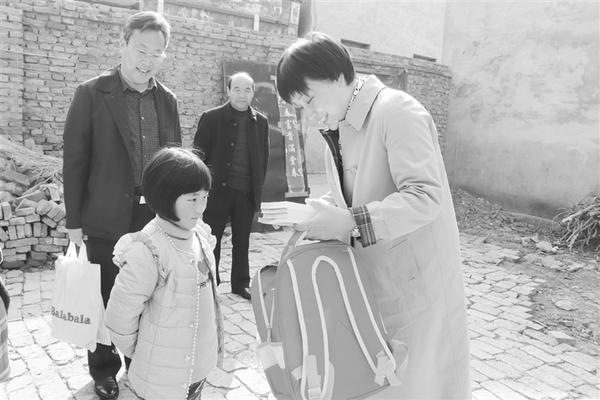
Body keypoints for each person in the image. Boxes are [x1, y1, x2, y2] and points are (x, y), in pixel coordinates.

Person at [276, 32, 471, 399]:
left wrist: (351, 222)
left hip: (417, 284)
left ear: (337, 75)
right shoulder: (339, 127)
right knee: (384, 377)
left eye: (309, 98)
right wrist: (318, 212)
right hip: (375, 280)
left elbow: (426, 196)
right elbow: (357, 191)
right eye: (300, 106)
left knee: (421, 382)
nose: (309, 114)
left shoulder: (397, 111)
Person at [62, 11, 181, 399]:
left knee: (148, 294)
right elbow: (74, 162)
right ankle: (104, 369)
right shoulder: (92, 93)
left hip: (153, 217)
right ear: (124, 43)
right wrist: (74, 221)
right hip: (105, 215)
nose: (148, 60)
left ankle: (140, 362)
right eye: (141, 50)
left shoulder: (167, 100)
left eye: (157, 53)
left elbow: (175, 160)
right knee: (105, 296)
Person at [105, 147, 223, 400]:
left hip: (199, 366)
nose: (201, 207)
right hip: (164, 376)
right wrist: (145, 353)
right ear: (164, 196)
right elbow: (119, 318)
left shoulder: (199, 233)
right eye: (192, 199)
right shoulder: (147, 250)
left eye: (205, 197)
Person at [193, 72, 270, 300]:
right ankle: (210, 282)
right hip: (216, 191)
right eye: (236, 89)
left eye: (247, 90)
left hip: (245, 192)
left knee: (242, 240)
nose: (241, 94)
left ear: (253, 93)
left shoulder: (260, 122)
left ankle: (241, 283)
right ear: (228, 91)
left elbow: (263, 159)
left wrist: (257, 190)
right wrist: (199, 190)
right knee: (212, 239)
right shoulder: (211, 118)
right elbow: (198, 157)